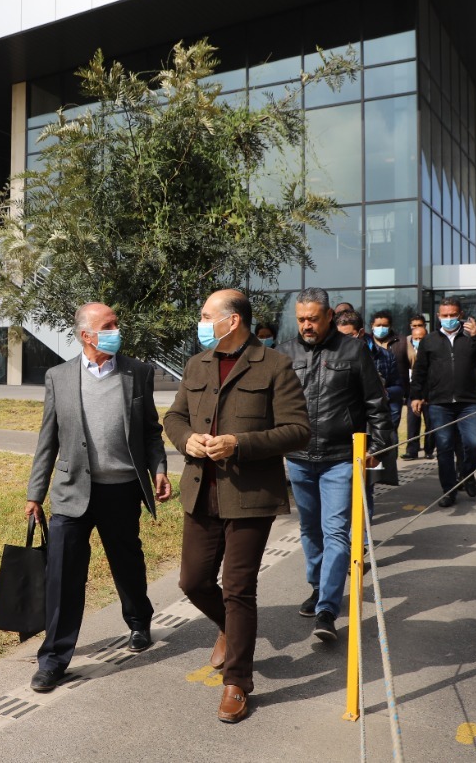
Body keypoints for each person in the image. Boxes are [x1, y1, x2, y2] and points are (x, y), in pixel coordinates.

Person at [164, 289, 309, 723]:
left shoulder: (275, 365)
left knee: (238, 588)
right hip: (200, 490)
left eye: (206, 315)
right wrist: (186, 439)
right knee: (193, 581)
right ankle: (229, 627)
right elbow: (174, 417)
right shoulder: (197, 363)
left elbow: (298, 430)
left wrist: (238, 444)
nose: (201, 323)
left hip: (250, 495)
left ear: (232, 321)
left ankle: (237, 683)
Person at [25, 303, 171, 693]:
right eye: (108, 326)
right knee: (63, 575)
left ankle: (139, 622)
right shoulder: (58, 376)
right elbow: (47, 439)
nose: (116, 330)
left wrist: (158, 467)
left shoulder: (138, 372)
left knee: (127, 562)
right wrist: (35, 493)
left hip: (121, 489)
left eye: (116, 324)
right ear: (86, 335)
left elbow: (151, 431)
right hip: (72, 491)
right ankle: (53, 660)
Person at [278, 291, 394, 645]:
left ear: (329, 315)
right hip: (298, 457)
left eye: (313, 318)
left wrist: (378, 446)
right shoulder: (285, 352)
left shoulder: (353, 350)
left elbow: (375, 401)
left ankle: (327, 608)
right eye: (301, 319)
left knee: (336, 532)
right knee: (310, 529)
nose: (306, 325)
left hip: (341, 457)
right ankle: (317, 588)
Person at [410, 298, 476, 507]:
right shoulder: (429, 340)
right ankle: (448, 491)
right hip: (439, 403)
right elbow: (420, 371)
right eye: (445, 315)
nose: (448, 319)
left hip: (468, 401)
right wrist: (416, 395)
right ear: (438, 316)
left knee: (474, 443)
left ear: (460, 315)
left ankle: (466, 474)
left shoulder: (471, 337)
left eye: (452, 315)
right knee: (444, 447)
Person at [368, 310, 410, 429]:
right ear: (372, 326)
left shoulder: (402, 342)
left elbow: (415, 365)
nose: (381, 328)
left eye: (384, 325)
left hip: (393, 396)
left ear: (390, 326)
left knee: (391, 431)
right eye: (378, 325)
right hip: (372, 398)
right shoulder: (366, 343)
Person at [401, 316, 435, 460]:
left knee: (430, 423)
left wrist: (425, 395)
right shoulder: (405, 346)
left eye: (421, 338)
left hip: (429, 392)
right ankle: (412, 450)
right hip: (413, 391)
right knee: (412, 421)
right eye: (416, 338)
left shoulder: (432, 349)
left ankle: (429, 449)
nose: (418, 340)